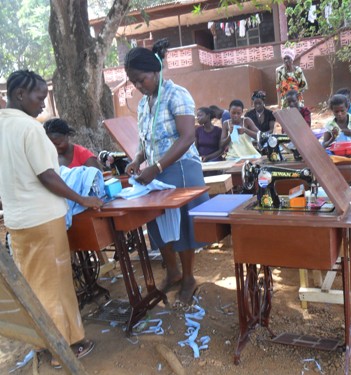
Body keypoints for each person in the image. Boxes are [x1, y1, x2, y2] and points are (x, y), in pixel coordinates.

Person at [0, 70, 102, 367]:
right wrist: (83, 199)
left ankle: (44, 343)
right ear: (20, 95)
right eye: (39, 97)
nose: (44, 104)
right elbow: (46, 176)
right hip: (43, 221)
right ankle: (64, 351)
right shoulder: (30, 129)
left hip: (18, 222)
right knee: (54, 286)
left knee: (34, 285)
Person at [123, 39, 209, 304]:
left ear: (156, 71)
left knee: (182, 225)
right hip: (156, 173)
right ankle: (172, 272)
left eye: (142, 79)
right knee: (158, 223)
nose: (138, 86)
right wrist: (138, 159)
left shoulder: (176, 94)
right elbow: (145, 140)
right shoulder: (143, 104)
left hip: (181, 168)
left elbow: (187, 138)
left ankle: (189, 277)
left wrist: (157, 167)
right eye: (133, 82)